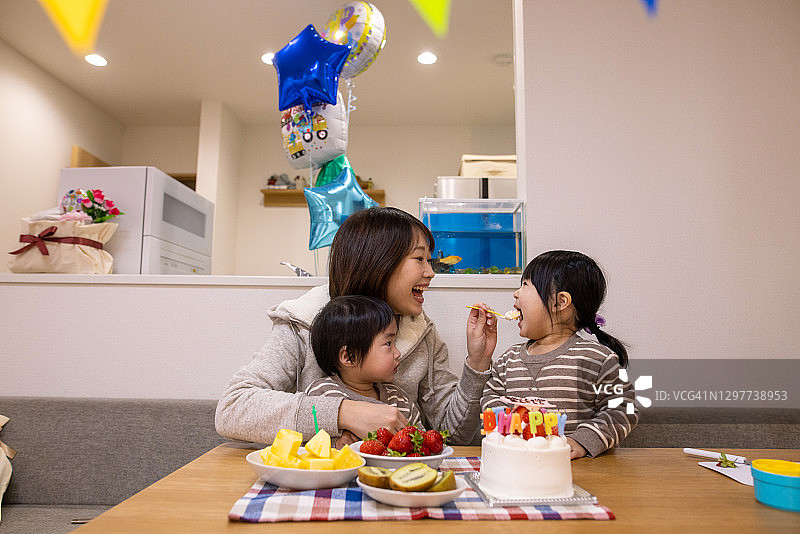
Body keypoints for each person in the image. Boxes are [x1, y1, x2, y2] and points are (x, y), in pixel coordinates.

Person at [215, 207, 497, 446]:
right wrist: (344, 412)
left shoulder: (423, 334)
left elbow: (454, 436)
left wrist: (478, 362)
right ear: (379, 263)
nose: (430, 272)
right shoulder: (301, 323)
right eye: (420, 259)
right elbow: (233, 408)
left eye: (431, 260)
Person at [481, 250, 638, 459]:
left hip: (575, 473)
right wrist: (506, 434)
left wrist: (582, 441)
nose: (516, 293)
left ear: (560, 302)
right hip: (516, 466)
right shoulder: (507, 361)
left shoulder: (595, 359)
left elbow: (623, 410)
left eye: (525, 285)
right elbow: (490, 402)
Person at [305, 295, 423, 441]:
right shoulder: (322, 393)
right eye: (388, 343)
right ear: (349, 357)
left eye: (395, 342)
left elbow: (420, 444)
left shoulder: (399, 401)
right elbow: (309, 437)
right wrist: (336, 443)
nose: (398, 353)